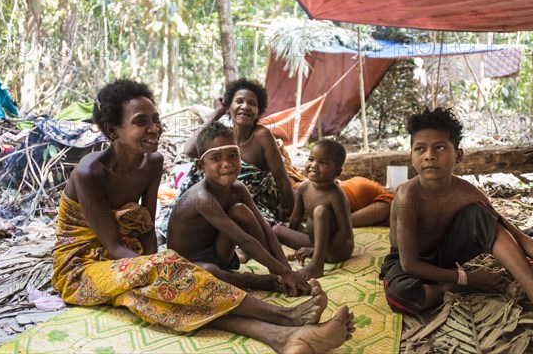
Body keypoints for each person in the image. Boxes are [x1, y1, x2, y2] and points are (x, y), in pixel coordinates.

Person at [51, 79, 355, 353]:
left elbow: (145, 222)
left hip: (131, 256)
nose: (155, 128)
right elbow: (115, 247)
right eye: (141, 122)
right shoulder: (90, 173)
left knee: (168, 294)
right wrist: (159, 266)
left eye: (156, 119)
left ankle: (281, 337)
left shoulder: (153, 161)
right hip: (84, 266)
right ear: (112, 130)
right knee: (169, 278)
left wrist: (158, 263)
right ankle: (284, 317)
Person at [380, 107, 533, 329]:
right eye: (420, 149)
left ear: (458, 155)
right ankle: (456, 287)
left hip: (447, 253)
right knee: (401, 296)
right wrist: (467, 279)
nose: (429, 155)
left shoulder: (468, 193)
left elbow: (514, 235)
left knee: (481, 213)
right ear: (412, 157)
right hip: (408, 262)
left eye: (440, 147)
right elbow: (410, 263)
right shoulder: (408, 197)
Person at [167, 122, 311, 295]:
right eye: (216, 158)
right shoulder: (202, 198)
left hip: (217, 253)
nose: (226, 164)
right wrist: (286, 273)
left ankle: (275, 275)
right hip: (189, 264)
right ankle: (249, 280)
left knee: (240, 211)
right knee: (210, 273)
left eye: (233, 155)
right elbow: (243, 240)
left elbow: (265, 228)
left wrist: (286, 270)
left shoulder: (238, 188)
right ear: (200, 166)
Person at [175, 78, 295, 227]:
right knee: (199, 166)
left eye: (252, 103)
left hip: (254, 204)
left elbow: (282, 178)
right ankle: (175, 222)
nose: (245, 107)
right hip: (221, 199)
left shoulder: (262, 136)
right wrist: (218, 112)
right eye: (239, 101)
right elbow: (190, 150)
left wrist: (294, 218)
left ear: (258, 111)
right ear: (228, 107)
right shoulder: (224, 136)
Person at [273, 139, 355, 279]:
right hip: (315, 242)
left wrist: (315, 251)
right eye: (311, 159)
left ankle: (317, 265)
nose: (313, 165)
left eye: (322, 162)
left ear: (337, 171)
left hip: (337, 249)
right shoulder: (303, 188)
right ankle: (307, 256)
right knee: (276, 229)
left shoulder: (336, 194)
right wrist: (294, 242)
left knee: (320, 211)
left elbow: (345, 233)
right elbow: (295, 220)